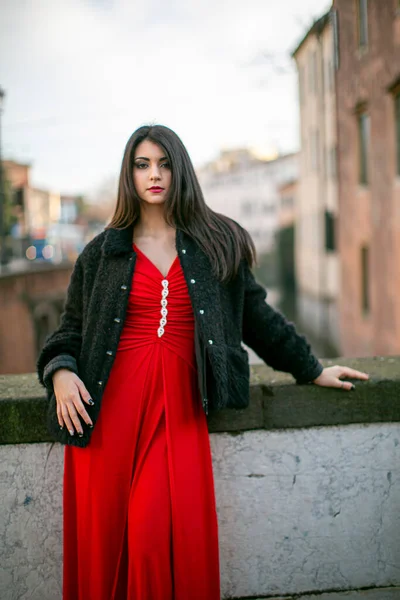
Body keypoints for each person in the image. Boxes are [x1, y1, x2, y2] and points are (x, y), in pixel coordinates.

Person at [36, 124, 369, 600]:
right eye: (142, 164)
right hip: (108, 416)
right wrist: (61, 372)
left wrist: (312, 368)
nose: (155, 175)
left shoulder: (218, 242)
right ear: (128, 174)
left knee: (153, 540)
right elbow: (67, 332)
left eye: (165, 164)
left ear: (182, 170)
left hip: (178, 414)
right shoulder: (101, 252)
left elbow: (257, 317)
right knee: (108, 548)